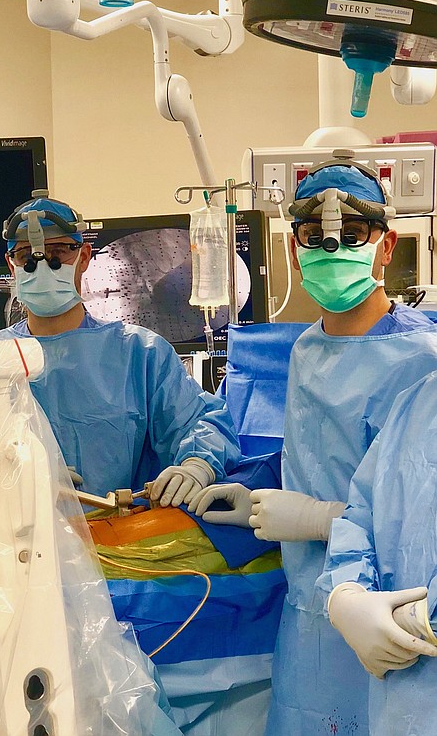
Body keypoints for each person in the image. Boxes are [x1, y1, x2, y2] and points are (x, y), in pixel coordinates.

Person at [188, 157, 437, 735]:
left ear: (385, 245)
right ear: (295, 247)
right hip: (307, 611)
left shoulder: (421, 364)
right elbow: (320, 455)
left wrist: (316, 519)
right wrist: (255, 490)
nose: (331, 251)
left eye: (351, 237)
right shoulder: (305, 348)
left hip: (387, 610)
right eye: (314, 239)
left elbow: (411, 506)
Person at [0, 189, 241, 506]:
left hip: (125, 537)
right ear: (12, 265)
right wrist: (7, 472)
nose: (43, 266)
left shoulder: (140, 353)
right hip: (21, 541)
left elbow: (200, 423)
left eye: (58, 253)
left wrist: (196, 465)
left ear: (84, 257)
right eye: (27, 257)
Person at [318, 370, 437, 736]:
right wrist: (348, 593)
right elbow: (363, 513)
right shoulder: (419, 401)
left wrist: (421, 619)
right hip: (402, 708)